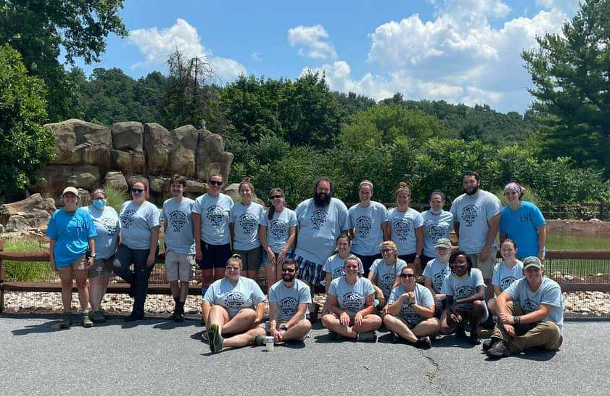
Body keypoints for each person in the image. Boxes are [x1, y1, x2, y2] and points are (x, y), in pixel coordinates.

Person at [485, 256, 563, 359]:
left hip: (547, 334)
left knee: (551, 328)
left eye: (536, 269)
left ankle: (510, 346)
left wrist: (514, 319)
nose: (533, 273)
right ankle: (500, 339)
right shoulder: (520, 284)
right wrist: (505, 321)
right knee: (508, 305)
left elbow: (542, 313)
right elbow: (500, 298)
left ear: (542, 270)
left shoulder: (552, 287)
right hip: (527, 325)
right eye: (529, 270)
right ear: (523, 272)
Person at [294, 177, 349, 320]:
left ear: (330, 191)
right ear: (315, 189)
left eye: (326, 189)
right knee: (304, 281)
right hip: (303, 253)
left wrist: (341, 249)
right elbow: (293, 227)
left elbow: (345, 231)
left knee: (329, 285)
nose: (323, 192)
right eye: (320, 189)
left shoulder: (338, 205)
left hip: (328, 255)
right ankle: (309, 310)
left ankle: (328, 308)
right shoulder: (304, 205)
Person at [47, 187, 97, 328]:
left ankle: (85, 314)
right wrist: (52, 258)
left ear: (77, 199)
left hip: (80, 254)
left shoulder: (84, 215)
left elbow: (91, 237)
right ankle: (67, 315)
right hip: (62, 256)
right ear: (63, 198)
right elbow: (52, 239)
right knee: (66, 285)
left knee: (82, 284)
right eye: (67, 196)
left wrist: (92, 255)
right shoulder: (57, 215)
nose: (69, 199)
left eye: (72, 196)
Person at [113, 178, 161, 321]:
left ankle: (138, 311)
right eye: (134, 190)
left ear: (146, 192)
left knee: (142, 278)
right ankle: (134, 283)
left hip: (145, 248)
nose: (136, 192)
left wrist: (152, 254)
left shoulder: (151, 209)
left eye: (140, 190)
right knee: (117, 267)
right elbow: (121, 225)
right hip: (127, 245)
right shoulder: (126, 205)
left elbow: (155, 232)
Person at [450, 171, 501, 300]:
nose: (468, 185)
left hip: (485, 249)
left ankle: (487, 314)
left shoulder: (490, 199)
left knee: (486, 281)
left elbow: (494, 226)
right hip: (466, 250)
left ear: (478, 182)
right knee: (469, 282)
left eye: (471, 181)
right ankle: (472, 312)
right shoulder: (458, 201)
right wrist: (462, 242)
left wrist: (486, 248)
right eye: (465, 182)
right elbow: (456, 225)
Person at [202, 254, 266, 354]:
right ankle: (215, 333)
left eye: (235, 268)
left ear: (240, 269)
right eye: (229, 268)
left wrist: (259, 316)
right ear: (226, 269)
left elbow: (261, 302)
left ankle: (214, 333)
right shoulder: (217, 284)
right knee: (215, 308)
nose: (232, 270)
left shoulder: (250, 283)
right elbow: (206, 302)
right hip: (224, 317)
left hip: (243, 321)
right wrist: (207, 323)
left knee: (251, 313)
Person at [321, 256, 382, 341]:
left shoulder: (366, 283)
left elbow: (371, 306)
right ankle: (357, 335)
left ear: (359, 268)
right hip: (342, 320)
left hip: (361, 320)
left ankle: (343, 333)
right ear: (344, 269)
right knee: (326, 319)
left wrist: (360, 314)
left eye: (354, 266)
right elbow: (332, 305)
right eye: (348, 266)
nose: (351, 269)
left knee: (377, 320)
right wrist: (342, 313)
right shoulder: (335, 283)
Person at [162, 175, 196, 322]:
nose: (176, 189)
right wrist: (166, 244)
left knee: (185, 281)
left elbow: (196, 225)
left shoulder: (191, 204)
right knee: (172, 280)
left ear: (184, 188)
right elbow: (166, 223)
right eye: (174, 186)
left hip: (187, 248)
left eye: (179, 186)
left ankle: (179, 309)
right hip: (171, 248)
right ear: (171, 187)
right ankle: (178, 307)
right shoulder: (167, 204)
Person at [193, 174, 234, 285]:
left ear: (222, 184)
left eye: (219, 183)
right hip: (206, 242)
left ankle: (218, 301)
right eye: (213, 182)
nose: (215, 185)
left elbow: (231, 224)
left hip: (223, 243)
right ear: (208, 183)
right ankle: (206, 301)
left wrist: (233, 244)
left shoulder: (228, 200)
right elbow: (196, 226)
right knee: (206, 276)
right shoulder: (200, 201)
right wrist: (197, 248)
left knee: (220, 277)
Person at [86, 188, 120, 324]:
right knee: (95, 282)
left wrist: (119, 247)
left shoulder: (111, 210)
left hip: (110, 253)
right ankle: (94, 310)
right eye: (97, 198)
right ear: (92, 199)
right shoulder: (85, 210)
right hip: (96, 254)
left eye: (102, 198)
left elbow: (118, 229)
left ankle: (97, 307)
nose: (100, 200)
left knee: (104, 282)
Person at [440, 251, 488, 345]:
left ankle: (474, 331)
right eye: (455, 262)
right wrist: (449, 313)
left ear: (468, 263)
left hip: (477, 311)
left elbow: (481, 295)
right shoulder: (448, 278)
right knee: (448, 323)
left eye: (461, 262)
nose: (458, 264)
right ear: (451, 264)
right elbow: (449, 301)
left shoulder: (475, 273)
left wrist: (458, 301)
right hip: (459, 309)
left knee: (477, 303)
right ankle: (460, 326)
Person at [384, 266, 439, 348]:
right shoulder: (396, 290)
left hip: (420, 324)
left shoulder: (424, 291)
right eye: (404, 275)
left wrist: (413, 304)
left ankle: (404, 335)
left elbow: (430, 313)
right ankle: (416, 341)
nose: (407, 278)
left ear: (415, 278)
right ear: (400, 278)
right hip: (404, 323)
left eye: (410, 275)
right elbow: (392, 312)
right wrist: (401, 298)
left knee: (436, 322)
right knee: (387, 318)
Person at [261, 259, 312, 345]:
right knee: (253, 332)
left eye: (290, 270)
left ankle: (275, 339)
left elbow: (300, 313)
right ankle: (282, 337)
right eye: (284, 270)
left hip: (295, 324)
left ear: (296, 272)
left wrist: (285, 327)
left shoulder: (304, 288)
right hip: (279, 322)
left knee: (306, 324)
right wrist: (273, 328)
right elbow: (273, 312)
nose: (286, 272)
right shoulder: (274, 288)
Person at [348, 180, 388, 274]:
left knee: (374, 280)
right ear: (358, 193)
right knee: (359, 279)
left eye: (367, 192)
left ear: (372, 193)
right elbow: (350, 231)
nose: (364, 195)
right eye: (362, 192)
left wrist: (387, 248)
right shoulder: (352, 210)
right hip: (358, 251)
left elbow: (385, 230)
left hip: (376, 251)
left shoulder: (380, 208)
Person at [499, 182, 546, 262]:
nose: (510, 196)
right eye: (507, 193)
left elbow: (542, 229)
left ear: (519, 193)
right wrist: (505, 254)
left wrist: (541, 251)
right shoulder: (503, 214)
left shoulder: (530, 208)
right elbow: (502, 235)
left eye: (514, 193)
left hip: (533, 254)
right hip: (513, 256)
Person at [260, 188, 297, 288]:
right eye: (273, 197)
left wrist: (284, 250)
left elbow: (293, 234)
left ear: (283, 198)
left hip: (284, 252)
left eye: (278, 196)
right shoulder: (266, 214)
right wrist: (268, 250)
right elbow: (262, 234)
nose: (275, 198)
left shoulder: (291, 214)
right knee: (271, 281)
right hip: (269, 252)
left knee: (281, 280)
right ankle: (271, 303)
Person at [230, 179, 264, 281]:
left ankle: (253, 297)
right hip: (239, 246)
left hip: (254, 246)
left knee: (253, 276)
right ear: (239, 192)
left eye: (247, 190)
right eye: (242, 190)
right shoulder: (234, 208)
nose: (245, 193)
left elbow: (262, 228)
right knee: (241, 276)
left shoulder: (259, 208)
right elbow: (231, 226)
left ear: (252, 192)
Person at [322, 235, 364, 313]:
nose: (342, 246)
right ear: (336, 245)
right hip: (336, 294)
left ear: (349, 245)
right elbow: (328, 282)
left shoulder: (356, 260)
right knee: (325, 318)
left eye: (344, 244)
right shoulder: (331, 260)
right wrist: (329, 300)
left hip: (352, 294)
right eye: (339, 244)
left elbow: (361, 279)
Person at [387, 182, 424, 271]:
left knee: (409, 279)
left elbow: (420, 238)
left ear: (409, 198)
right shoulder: (389, 214)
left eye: (404, 197)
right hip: (395, 253)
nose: (402, 199)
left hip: (411, 254)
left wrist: (418, 256)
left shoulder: (416, 215)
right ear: (396, 198)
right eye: (399, 197)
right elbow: (388, 235)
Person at [487, 239, 524, 316]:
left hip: (518, 300)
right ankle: (507, 319)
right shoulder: (497, 268)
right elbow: (497, 290)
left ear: (515, 250)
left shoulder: (522, 267)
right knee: (490, 303)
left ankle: (505, 319)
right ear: (500, 251)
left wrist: (511, 301)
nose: (506, 252)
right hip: (503, 299)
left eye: (510, 250)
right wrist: (504, 301)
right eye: (504, 250)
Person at [367, 241, 407, 310]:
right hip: (381, 297)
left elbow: (396, 285)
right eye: (382, 251)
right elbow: (369, 281)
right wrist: (379, 291)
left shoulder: (401, 264)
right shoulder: (377, 262)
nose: (385, 253)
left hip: (396, 296)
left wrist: (389, 303)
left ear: (394, 251)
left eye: (387, 250)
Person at [420, 190, 453, 266]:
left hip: (444, 253)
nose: (435, 204)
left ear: (443, 202)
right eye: (433, 201)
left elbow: (450, 229)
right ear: (429, 202)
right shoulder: (422, 215)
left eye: (438, 201)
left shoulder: (449, 216)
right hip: (428, 254)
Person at [422, 238, 453, 317]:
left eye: (444, 248)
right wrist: (434, 298)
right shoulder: (430, 264)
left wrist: (444, 296)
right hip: (437, 296)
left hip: (452, 296)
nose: (441, 250)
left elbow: (459, 286)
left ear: (450, 249)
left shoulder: (455, 263)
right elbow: (428, 285)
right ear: (436, 249)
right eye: (439, 248)